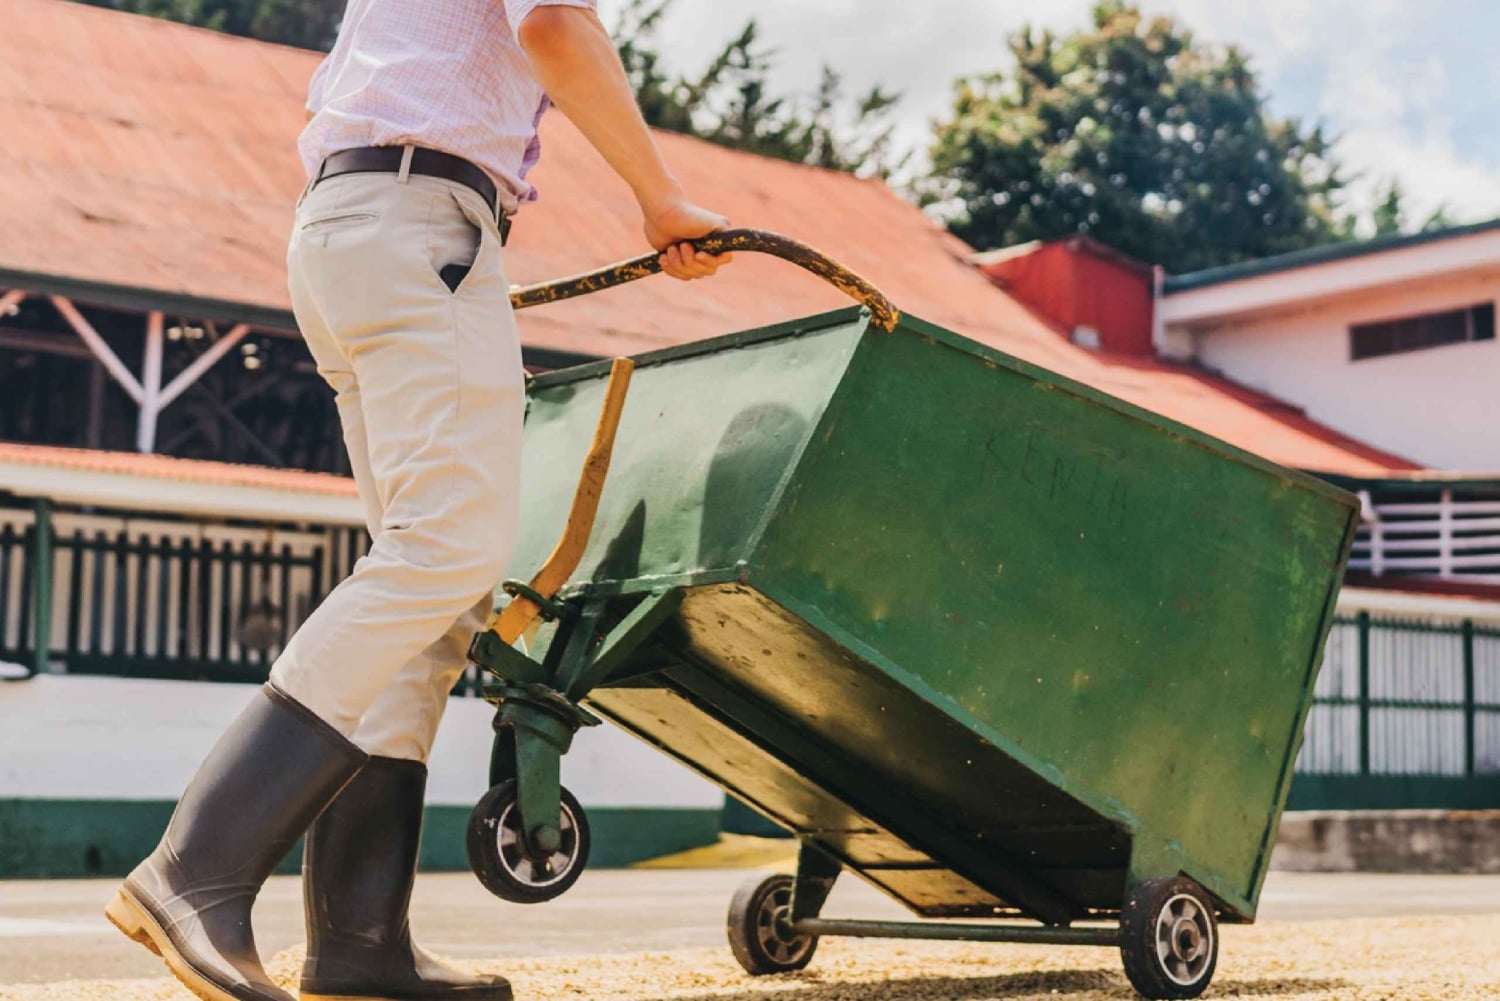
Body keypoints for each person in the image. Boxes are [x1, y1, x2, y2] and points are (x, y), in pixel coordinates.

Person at [104, 3, 732, 1000]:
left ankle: (360, 940)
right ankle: (195, 865)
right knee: (446, 551)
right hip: (421, 221)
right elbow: (556, 25)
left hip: (357, 224)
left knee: (434, 592)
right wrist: (662, 198)